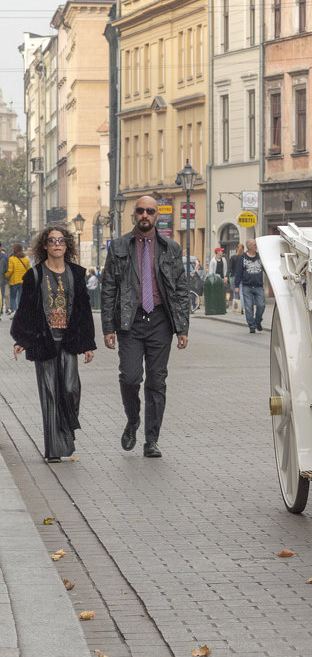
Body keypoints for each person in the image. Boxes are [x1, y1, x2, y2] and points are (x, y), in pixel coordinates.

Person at [101, 195, 190, 458]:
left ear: (156, 215)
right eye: (140, 210)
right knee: (129, 377)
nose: (145, 215)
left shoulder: (171, 248)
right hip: (130, 321)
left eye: (150, 211)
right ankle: (132, 420)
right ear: (134, 214)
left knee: (156, 382)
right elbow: (108, 289)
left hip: (161, 321)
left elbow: (181, 288)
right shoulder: (118, 246)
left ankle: (151, 440)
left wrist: (183, 328)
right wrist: (108, 327)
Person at [10, 225, 97, 462]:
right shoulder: (34, 274)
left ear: (66, 245)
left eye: (61, 240)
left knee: (70, 389)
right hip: (44, 341)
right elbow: (26, 309)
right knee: (49, 394)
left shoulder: (77, 274)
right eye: (52, 240)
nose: (57, 244)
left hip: (69, 341)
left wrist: (88, 343)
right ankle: (54, 450)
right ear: (45, 246)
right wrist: (22, 340)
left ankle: (66, 430)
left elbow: (84, 310)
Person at [234, 238, 265, 334]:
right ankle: (251, 325)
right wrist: (236, 285)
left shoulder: (260, 257)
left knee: (261, 305)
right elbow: (238, 272)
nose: (256, 246)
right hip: (247, 286)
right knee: (248, 307)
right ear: (249, 246)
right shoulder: (242, 258)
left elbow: (266, 269)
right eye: (254, 244)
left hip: (259, 286)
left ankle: (258, 321)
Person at [6, 243, 30, 315]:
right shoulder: (26, 259)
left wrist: (6, 276)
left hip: (14, 281)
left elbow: (10, 270)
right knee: (20, 296)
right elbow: (29, 270)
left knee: (13, 297)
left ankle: (15, 310)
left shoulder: (12, 259)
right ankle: (20, 311)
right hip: (23, 281)